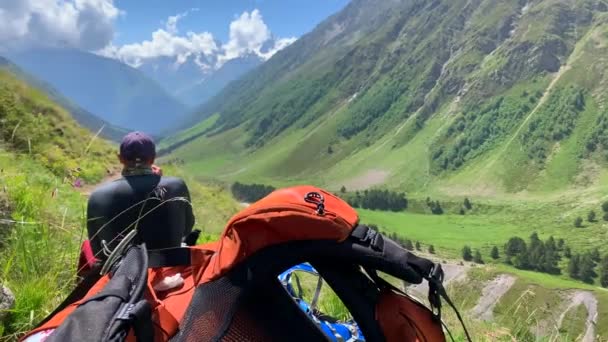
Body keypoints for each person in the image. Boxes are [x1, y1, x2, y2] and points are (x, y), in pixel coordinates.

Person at [82, 131, 195, 270]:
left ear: (120, 158)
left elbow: (97, 250)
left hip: (123, 273)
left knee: (85, 246)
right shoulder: (176, 186)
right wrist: (159, 182)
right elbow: (187, 229)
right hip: (169, 264)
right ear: (153, 158)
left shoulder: (98, 195)